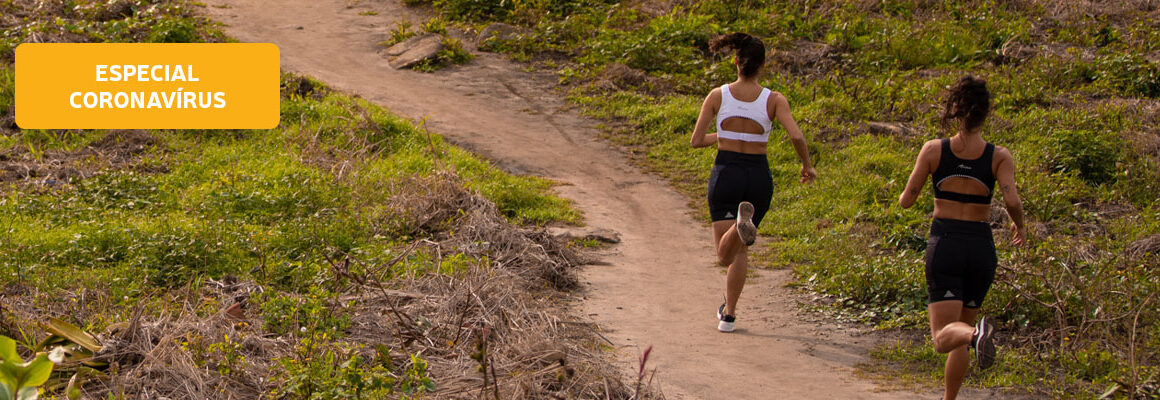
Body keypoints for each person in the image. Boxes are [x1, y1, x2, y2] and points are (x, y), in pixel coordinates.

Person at [898, 75, 1027, 400]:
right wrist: (1019, 226)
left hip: (946, 244)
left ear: (955, 111)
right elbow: (1011, 201)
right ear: (986, 114)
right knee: (963, 329)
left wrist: (916, 187)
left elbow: (907, 200)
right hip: (981, 249)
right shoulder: (999, 156)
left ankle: (975, 336)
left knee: (945, 336)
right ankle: (950, 397)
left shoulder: (934, 150)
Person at [689, 32, 817, 333]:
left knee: (725, 256)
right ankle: (729, 314)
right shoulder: (774, 99)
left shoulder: (717, 95)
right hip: (758, 177)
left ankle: (737, 226)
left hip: (727, 174)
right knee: (741, 251)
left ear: (735, 61)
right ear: (762, 65)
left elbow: (696, 141)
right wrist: (807, 165)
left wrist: (724, 136)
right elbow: (796, 136)